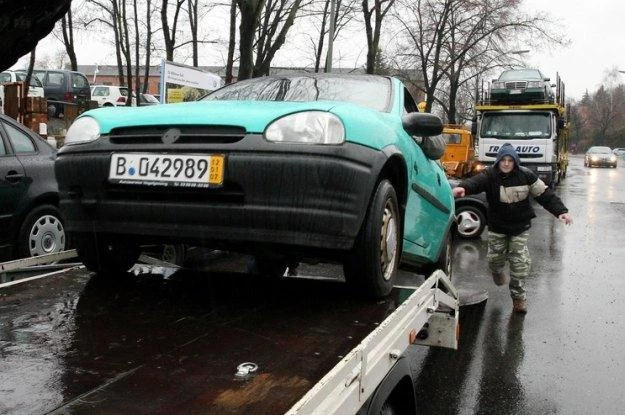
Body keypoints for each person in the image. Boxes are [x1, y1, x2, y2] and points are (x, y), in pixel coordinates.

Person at [452, 143, 572, 314]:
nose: (506, 164)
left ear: (515, 161)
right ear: (498, 162)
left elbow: (545, 195)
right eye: (503, 160)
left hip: (519, 227)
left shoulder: (526, 176)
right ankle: (497, 271)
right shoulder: (490, 175)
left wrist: (561, 212)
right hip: (497, 227)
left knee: (519, 264)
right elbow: (475, 182)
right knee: (495, 260)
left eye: (510, 160)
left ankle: (519, 298)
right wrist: (463, 188)